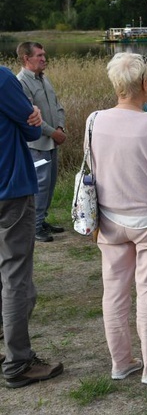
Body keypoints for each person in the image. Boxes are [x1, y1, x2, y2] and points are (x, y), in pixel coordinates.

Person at [87, 53, 147, 384]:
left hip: (110, 219)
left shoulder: (94, 120)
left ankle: (121, 362)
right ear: (145, 83)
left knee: (113, 292)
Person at [1, 65, 64, 388]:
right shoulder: (3, 79)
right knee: (16, 276)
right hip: (9, 187)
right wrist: (34, 113)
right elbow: (30, 129)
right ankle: (19, 362)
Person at [16, 42, 66, 243]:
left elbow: (58, 106)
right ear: (26, 58)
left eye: (44, 54)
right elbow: (30, 115)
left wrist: (61, 128)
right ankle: (35, 227)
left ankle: (42, 220)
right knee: (41, 185)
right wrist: (53, 133)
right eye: (39, 55)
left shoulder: (44, 79)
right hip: (37, 145)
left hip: (52, 143)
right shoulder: (20, 82)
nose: (44, 59)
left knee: (50, 183)